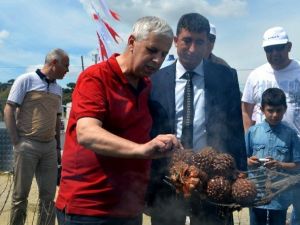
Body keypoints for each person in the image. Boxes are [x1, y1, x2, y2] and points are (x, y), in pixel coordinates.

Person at [55, 16, 182, 225]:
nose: (158, 59)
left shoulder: (145, 85)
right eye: (151, 50)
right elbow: (86, 133)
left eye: (164, 54)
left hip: (129, 209)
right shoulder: (95, 77)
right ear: (132, 42)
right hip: (89, 210)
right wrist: (141, 150)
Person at [147, 12, 247, 225]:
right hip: (167, 179)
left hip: (212, 179)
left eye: (199, 42)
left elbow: (235, 127)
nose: (192, 49)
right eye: (187, 41)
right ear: (176, 41)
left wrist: (240, 170)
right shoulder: (155, 80)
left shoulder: (226, 77)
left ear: (207, 43)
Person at [241, 26, 300, 225]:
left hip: (294, 152)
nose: (274, 53)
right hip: (262, 151)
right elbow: (246, 109)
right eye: (269, 49)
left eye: (279, 48)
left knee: (292, 208)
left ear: (289, 46)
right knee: (258, 208)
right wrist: (250, 139)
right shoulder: (256, 75)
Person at [4, 48, 69, 225]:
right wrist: (16, 141)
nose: (68, 70)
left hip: (49, 147)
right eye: (66, 65)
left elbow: (57, 118)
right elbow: (9, 108)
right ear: (54, 63)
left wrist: (57, 147)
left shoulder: (58, 89)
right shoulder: (26, 80)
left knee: (48, 197)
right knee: (20, 196)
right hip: (27, 144)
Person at [246, 88, 300, 225]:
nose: (275, 115)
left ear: (285, 109)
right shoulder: (252, 132)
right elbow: (241, 159)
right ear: (262, 109)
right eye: (270, 110)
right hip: (256, 193)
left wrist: (280, 165)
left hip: (280, 195)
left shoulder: (291, 134)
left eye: (279, 110)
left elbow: (298, 165)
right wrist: (249, 161)